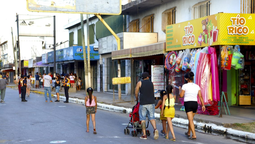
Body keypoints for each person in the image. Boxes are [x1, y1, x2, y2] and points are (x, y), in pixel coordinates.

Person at [179, 72, 206, 140]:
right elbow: (200, 96)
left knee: (190, 120)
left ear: (187, 79)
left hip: (188, 103)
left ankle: (194, 135)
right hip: (195, 104)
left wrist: (180, 90)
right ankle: (188, 132)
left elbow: (181, 95)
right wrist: (203, 105)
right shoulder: (197, 86)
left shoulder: (184, 86)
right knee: (191, 119)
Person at [135, 72, 159, 140]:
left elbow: (136, 92)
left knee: (143, 119)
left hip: (143, 103)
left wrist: (136, 98)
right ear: (148, 77)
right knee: (152, 117)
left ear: (142, 77)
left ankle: (144, 135)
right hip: (151, 102)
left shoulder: (140, 83)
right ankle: (155, 129)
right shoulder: (151, 83)